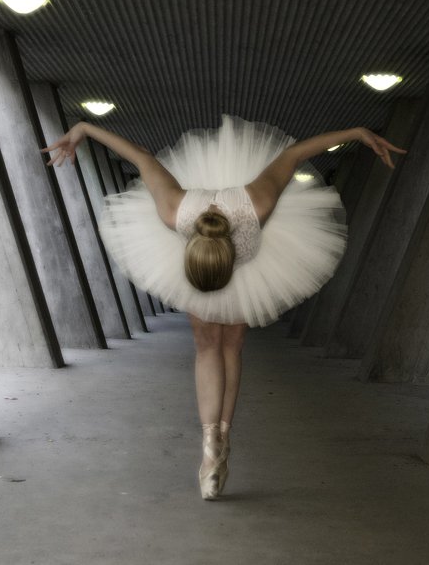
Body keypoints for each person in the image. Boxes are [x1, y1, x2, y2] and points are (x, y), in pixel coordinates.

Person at [42, 115, 404, 500]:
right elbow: (296, 153)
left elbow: (141, 155)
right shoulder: (205, 208)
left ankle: (211, 442)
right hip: (234, 237)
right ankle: (222, 439)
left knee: (208, 347)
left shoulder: (224, 207)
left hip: (238, 230)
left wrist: (85, 129)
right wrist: (355, 132)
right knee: (230, 346)